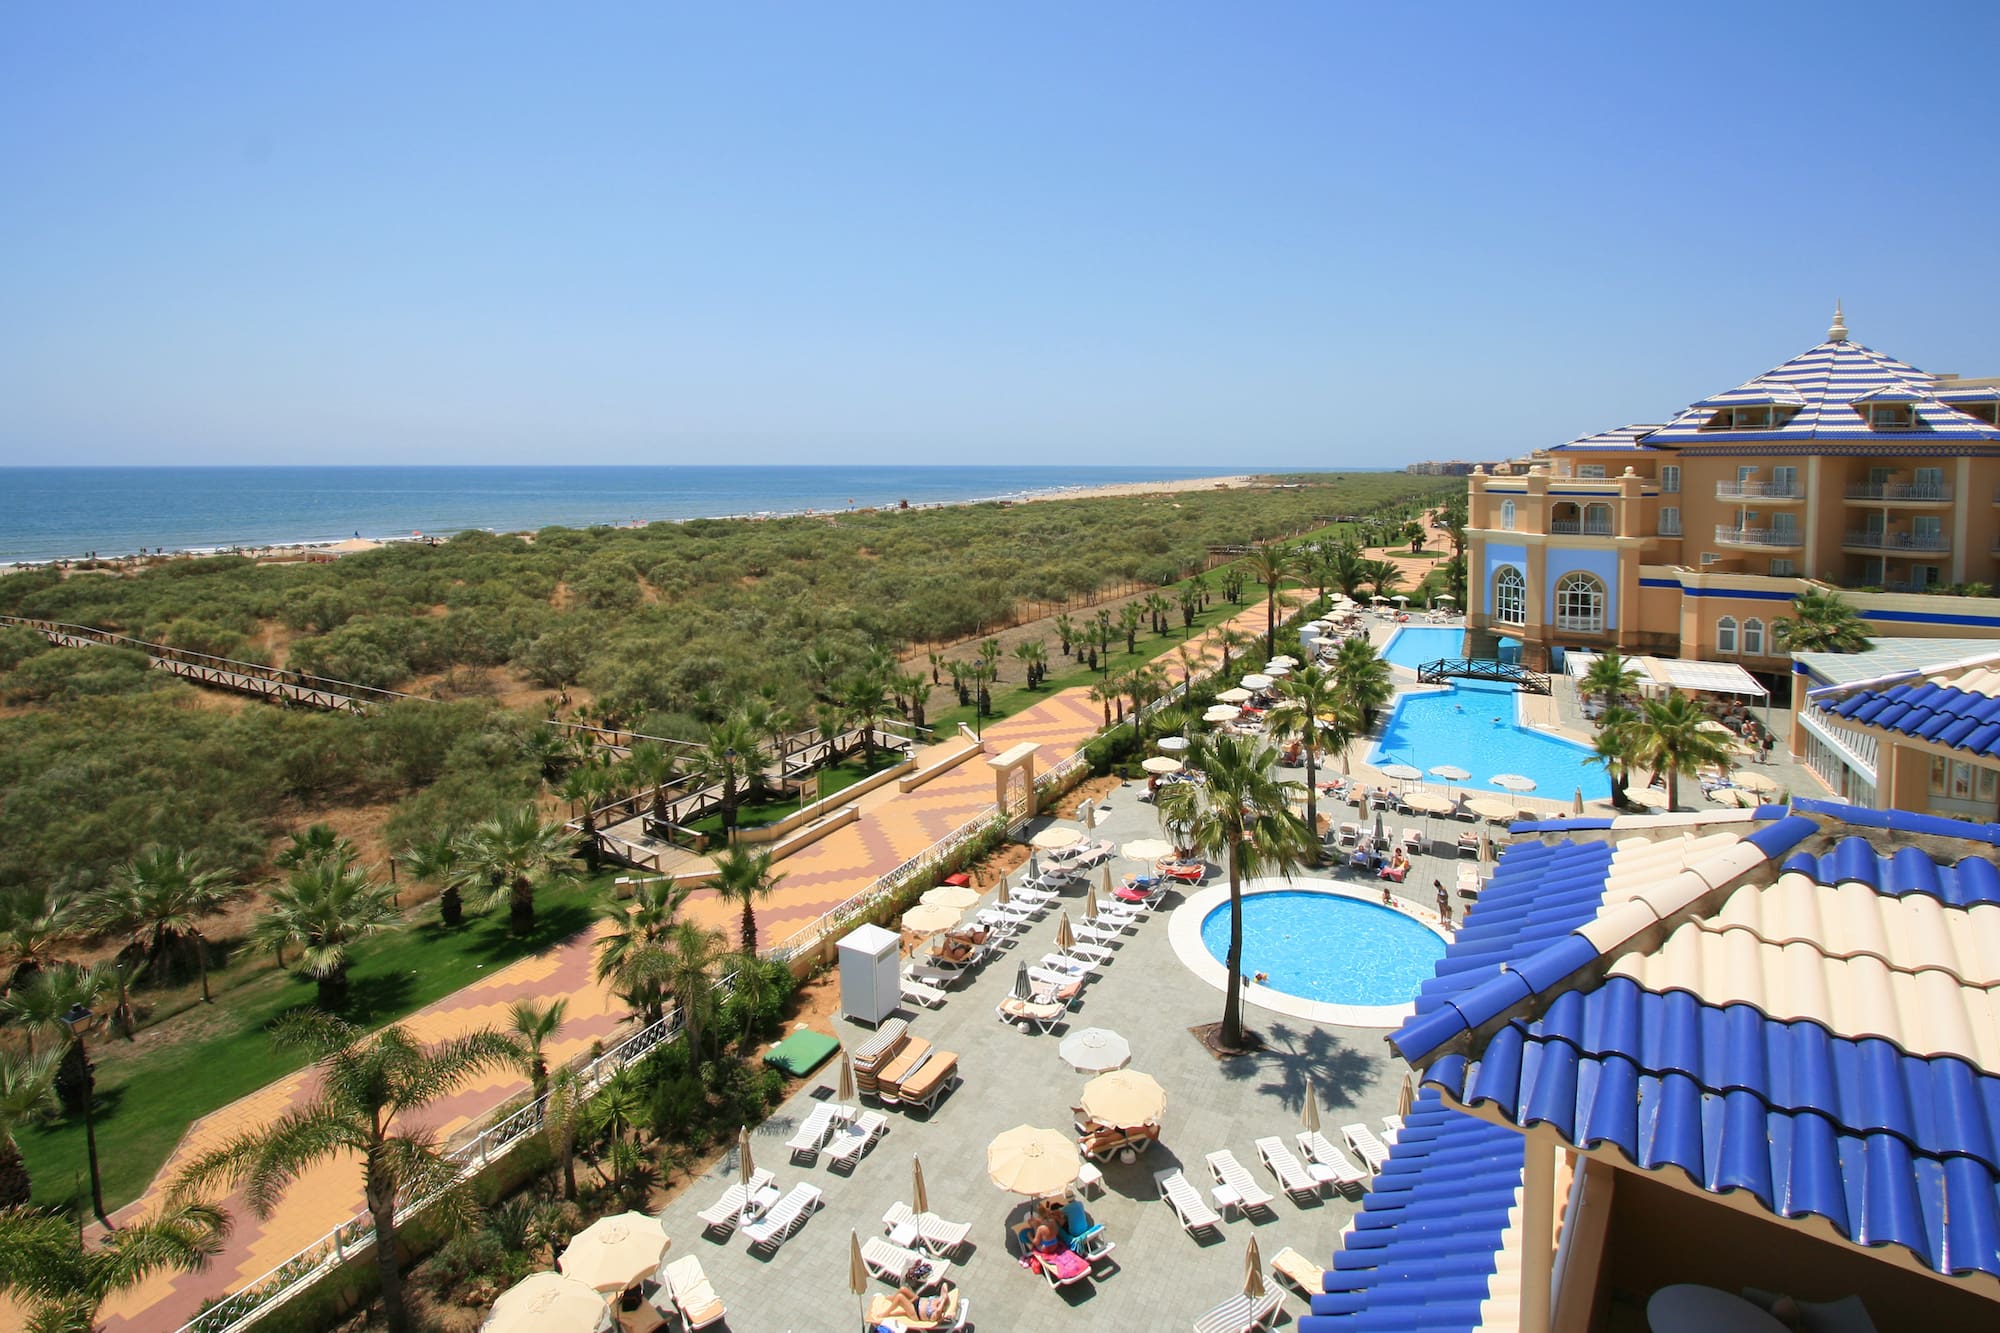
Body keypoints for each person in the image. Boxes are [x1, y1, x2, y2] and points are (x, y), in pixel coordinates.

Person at [878, 1283, 950, 1323]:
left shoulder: (936, 1314)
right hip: (917, 1300)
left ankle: (886, 1313)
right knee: (903, 1289)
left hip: (915, 1313)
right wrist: (944, 1296)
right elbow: (944, 1285)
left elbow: (938, 1311)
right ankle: (888, 1299)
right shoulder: (938, 1299)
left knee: (900, 1297)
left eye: (942, 1301)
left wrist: (943, 1301)